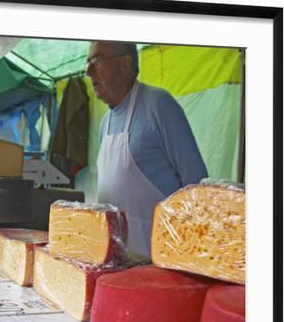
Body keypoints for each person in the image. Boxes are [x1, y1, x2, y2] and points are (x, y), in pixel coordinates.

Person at [86, 40, 208, 257]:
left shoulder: (158, 105)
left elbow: (196, 187)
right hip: (115, 260)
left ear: (125, 63)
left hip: (159, 262)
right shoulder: (105, 123)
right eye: (87, 62)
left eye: (97, 60)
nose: (88, 71)